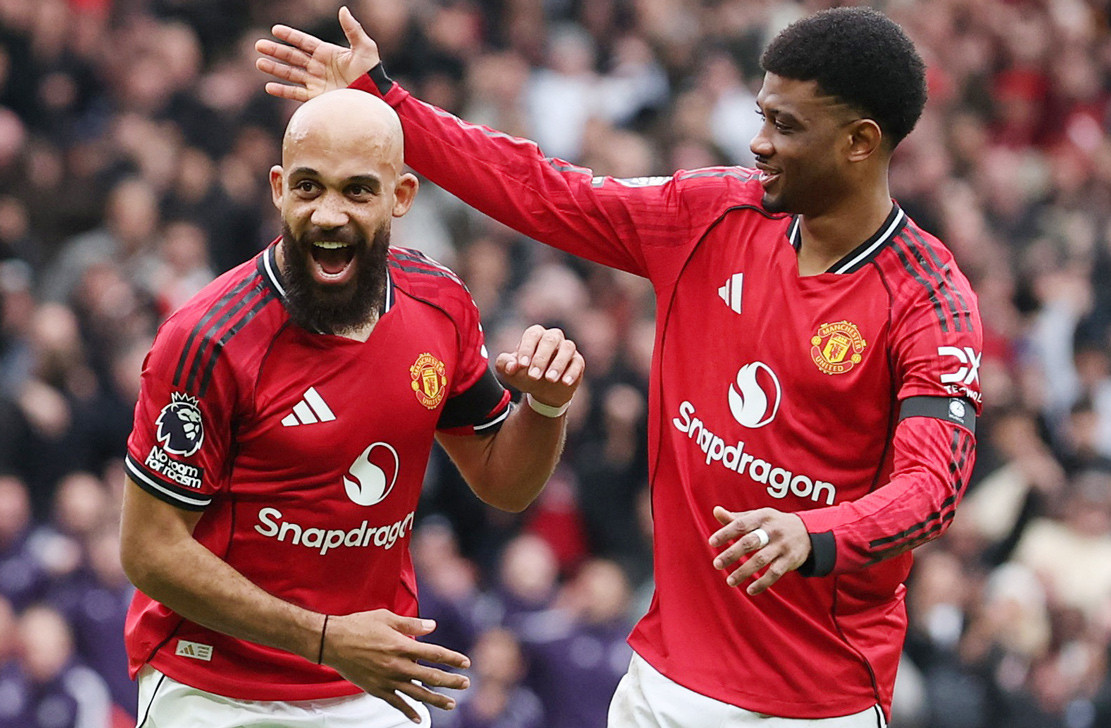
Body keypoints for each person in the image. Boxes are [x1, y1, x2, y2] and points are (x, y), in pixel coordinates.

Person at [256, 6, 983, 726]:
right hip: (662, 683)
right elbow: (544, 190)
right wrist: (388, 106)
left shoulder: (929, 301)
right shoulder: (713, 214)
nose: (759, 142)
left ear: (860, 141)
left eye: (786, 126)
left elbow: (932, 486)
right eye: (762, 116)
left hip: (815, 703)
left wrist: (815, 535)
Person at [118, 88, 585, 727]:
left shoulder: (440, 303)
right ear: (278, 189)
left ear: (401, 196)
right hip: (216, 688)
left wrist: (547, 406)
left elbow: (504, 484)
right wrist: (325, 638)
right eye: (308, 187)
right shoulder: (207, 340)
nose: (328, 214)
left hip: (372, 683)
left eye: (357, 191)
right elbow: (150, 551)